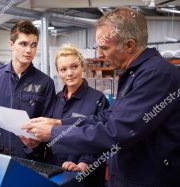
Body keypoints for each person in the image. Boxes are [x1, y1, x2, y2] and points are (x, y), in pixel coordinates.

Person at [23, 7, 180, 186]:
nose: (100, 54)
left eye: (104, 47)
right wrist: (59, 123)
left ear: (129, 45)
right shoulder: (133, 74)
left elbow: (116, 131)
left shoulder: (157, 74)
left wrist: (53, 133)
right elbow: (106, 118)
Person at [0, 20, 56, 161]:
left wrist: (38, 142)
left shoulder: (45, 83)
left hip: (30, 157)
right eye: (23, 44)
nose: (29, 50)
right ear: (11, 45)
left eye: (33, 45)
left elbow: (49, 124)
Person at [50, 44, 109, 186]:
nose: (69, 73)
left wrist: (83, 164)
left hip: (85, 176)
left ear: (82, 66)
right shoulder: (55, 99)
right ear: (58, 72)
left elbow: (102, 137)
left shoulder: (98, 99)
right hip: (56, 172)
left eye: (74, 66)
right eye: (63, 69)